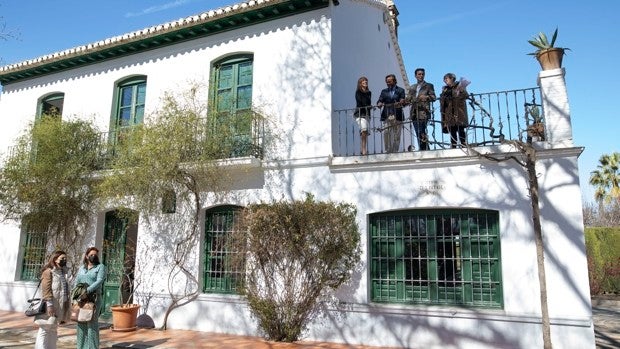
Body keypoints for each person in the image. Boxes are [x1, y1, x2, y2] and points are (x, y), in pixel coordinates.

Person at [34, 250, 71, 349]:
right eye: (62, 258)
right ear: (55, 259)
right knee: (45, 328)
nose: (64, 260)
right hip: (50, 305)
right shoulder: (48, 272)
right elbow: (46, 290)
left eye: (65, 258)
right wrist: (49, 305)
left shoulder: (63, 272)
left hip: (60, 304)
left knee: (53, 328)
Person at [75, 247, 106, 349]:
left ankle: (92, 347)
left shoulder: (100, 267)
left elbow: (99, 280)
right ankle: (81, 347)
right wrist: (75, 295)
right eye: (91, 254)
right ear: (86, 256)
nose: (94, 256)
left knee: (91, 323)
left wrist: (87, 290)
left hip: (94, 299)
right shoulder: (82, 268)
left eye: (96, 255)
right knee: (81, 322)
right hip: (81, 299)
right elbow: (77, 282)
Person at [406, 68, 436, 151]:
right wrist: (403, 101)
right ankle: (425, 149)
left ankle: (424, 150)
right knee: (418, 132)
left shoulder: (429, 85)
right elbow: (408, 99)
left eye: (422, 74)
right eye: (419, 74)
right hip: (414, 113)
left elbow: (433, 97)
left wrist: (426, 97)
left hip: (423, 112)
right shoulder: (412, 87)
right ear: (415, 76)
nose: (421, 76)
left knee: (421, 131)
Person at [377, 74, 406, 153]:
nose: (388, 83)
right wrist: (379, 103)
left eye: (389, 81)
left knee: (397, 134)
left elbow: (403, 100)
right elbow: (380, 100)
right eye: (387, 82)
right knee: (386, 133)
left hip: (398, 115)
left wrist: (401, 101)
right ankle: (388, 150)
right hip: (387, 115)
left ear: (395, 81)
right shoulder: (384, 91)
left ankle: (395, 150)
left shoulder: (401, 90)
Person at [440, 73, 469, 148]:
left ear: (452, 78)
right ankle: (453, 144)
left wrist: (462, 91)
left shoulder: (459, 85)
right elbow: (442, 100)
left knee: (460, 128)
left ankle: (463, 143)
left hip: (458, 110)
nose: (445, 81)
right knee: (452, 128)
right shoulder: (445, 89)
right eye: (444, 79)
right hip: (449, 111)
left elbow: (466, 96)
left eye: (446, 79)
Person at [354, 76, 372, 155]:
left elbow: (369, 103)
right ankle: (363, 150)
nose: (365, 82)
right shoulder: (358, 92)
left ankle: (363, 149)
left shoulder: (369, 93)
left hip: (367, 114)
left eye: (366, 81)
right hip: (360, 114)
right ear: (360, 83)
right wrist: (367, 106)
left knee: (365, 132)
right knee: (363, 130)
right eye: (363, 81)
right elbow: (359, 102)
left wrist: (370, 107)